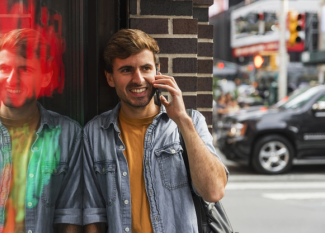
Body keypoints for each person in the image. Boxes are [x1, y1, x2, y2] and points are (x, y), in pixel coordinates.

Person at [83, 29, 228, 233]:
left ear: (157, 72)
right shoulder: (95, 132)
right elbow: (93, 214)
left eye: (146, 68)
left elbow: (213, 191)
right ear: (110, 78)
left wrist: (182, 120)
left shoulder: (192, 121)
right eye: (126, 70)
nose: (138, 79)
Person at [0, 28, 82, 233]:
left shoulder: (68, 134)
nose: (12, 80)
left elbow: (69, 215)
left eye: (25, 69)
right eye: (4, 68)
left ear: (46, 77)